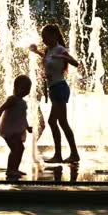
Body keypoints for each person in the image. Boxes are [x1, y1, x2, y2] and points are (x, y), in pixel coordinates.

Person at [29, 24, 80, 163]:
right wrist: (37, 52)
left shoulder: (60, 49)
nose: (44, 39)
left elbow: (76, 63)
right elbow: (48, 60)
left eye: (46, 37)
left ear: (54, 35)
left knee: (54, 121)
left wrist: (62, 56)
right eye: (42, 37)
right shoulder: (48, 50)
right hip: (53, 89)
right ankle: (73, 154)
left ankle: (61, 154)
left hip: (60, 88)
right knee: (62, 122)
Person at [0, 75, 33, 178]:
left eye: (28, 89)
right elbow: (0, 109)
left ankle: (15, 169)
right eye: (25, 88)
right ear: (16, 87)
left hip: (16, 130)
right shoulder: (12, 99)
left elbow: (23, 117)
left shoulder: (22, 102)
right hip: (9, 130)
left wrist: (27, 127)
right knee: (15, 149)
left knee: (20, 149)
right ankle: (10, 170)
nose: (27, 91)